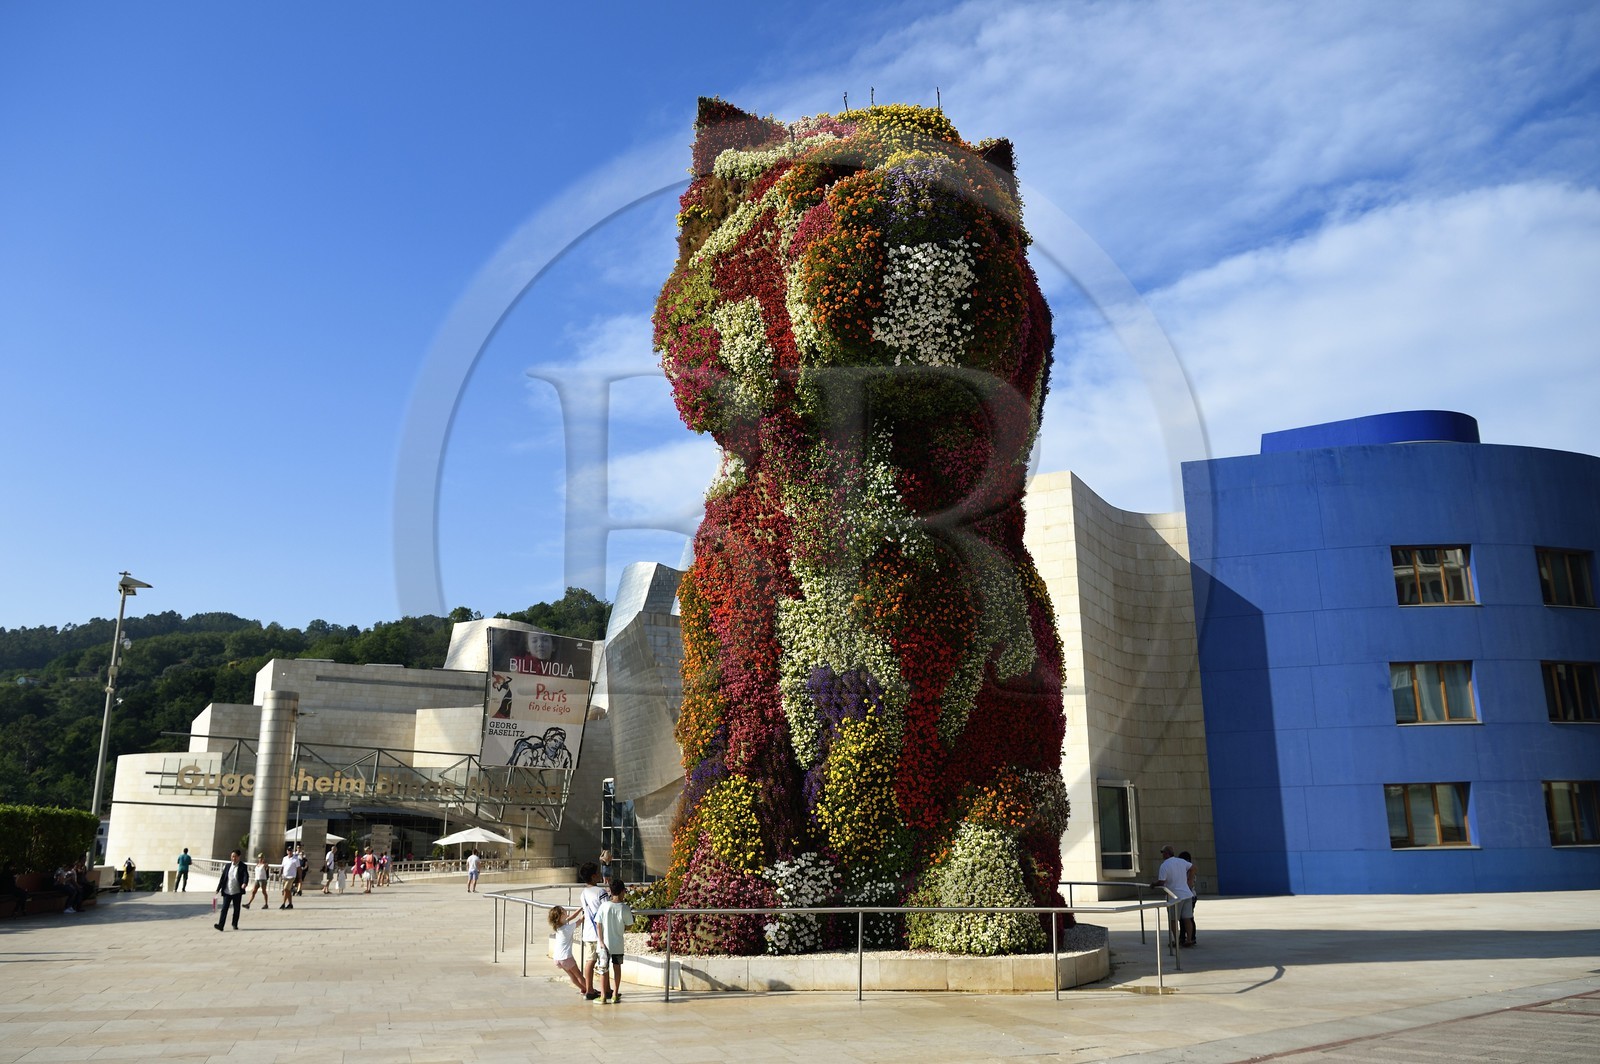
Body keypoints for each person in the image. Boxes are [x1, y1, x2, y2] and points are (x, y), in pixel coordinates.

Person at [595, 878, 634, 1004]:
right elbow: (629, 926)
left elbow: (598, 924)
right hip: (618, 944)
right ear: (623, 891)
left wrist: (600, 941)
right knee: (617, 968)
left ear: (610, 891)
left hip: (604, 944)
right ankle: (615, 994)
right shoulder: (625, 908)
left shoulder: (604, 906)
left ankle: (602, 996)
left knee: (603, 970)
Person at [1151, 845, 1196, 948]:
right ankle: (1189, 939)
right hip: (1187, 894)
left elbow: (1161, 882)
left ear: (1166, 853)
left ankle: (1176, 940)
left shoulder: (1164, 865)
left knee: (1173, 919)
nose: (1162, 854)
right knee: (1187, 918)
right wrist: (1190, 881)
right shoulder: (1181, 861)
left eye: (1162, 852)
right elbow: (1193, 868)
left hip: (1174, 896)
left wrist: (1153, 884)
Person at [577, 862, 607, 1001]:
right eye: (598, 873)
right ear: (594, 876)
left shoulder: (583, 893)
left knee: (590, 960)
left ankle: (589, 989)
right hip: (601, 933)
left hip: (588, 932)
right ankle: (605, 989)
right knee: (604, 962)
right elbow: (606, 910)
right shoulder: (601, 892)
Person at [547, 904, 587, 993]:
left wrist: (580, 909)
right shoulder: (567, 928)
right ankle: (590, 990)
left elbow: (572, 917)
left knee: (571, 975)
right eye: (564, 911)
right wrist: (585, 913)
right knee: (578, 975)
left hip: (557, 958)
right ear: (561, 916)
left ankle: (583, 989)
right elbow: (580, 921)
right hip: (566, 957)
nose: (566, 911)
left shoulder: (558, 926)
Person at [214, 849, 247, 931]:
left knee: (236, 909)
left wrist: (244, 883)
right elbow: (223, 878)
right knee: (224, 909)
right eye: (232, 856)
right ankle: (221, 925)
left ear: (239, 857)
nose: (233, 858)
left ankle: (234, 923)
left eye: (235, 856)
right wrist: (218, 888)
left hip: (237, 891)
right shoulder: (228, 866)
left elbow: (245, 876)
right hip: (227, 891)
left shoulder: (243, 866)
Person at [1179, 851, 1200, 944]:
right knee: (1183, 918)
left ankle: (1191, 937)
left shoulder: (1190, 871)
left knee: (1188, 918)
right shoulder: (1185, 870)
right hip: (1187, 896)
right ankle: (1183, 936)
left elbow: (1189, 884)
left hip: (1190, 897)